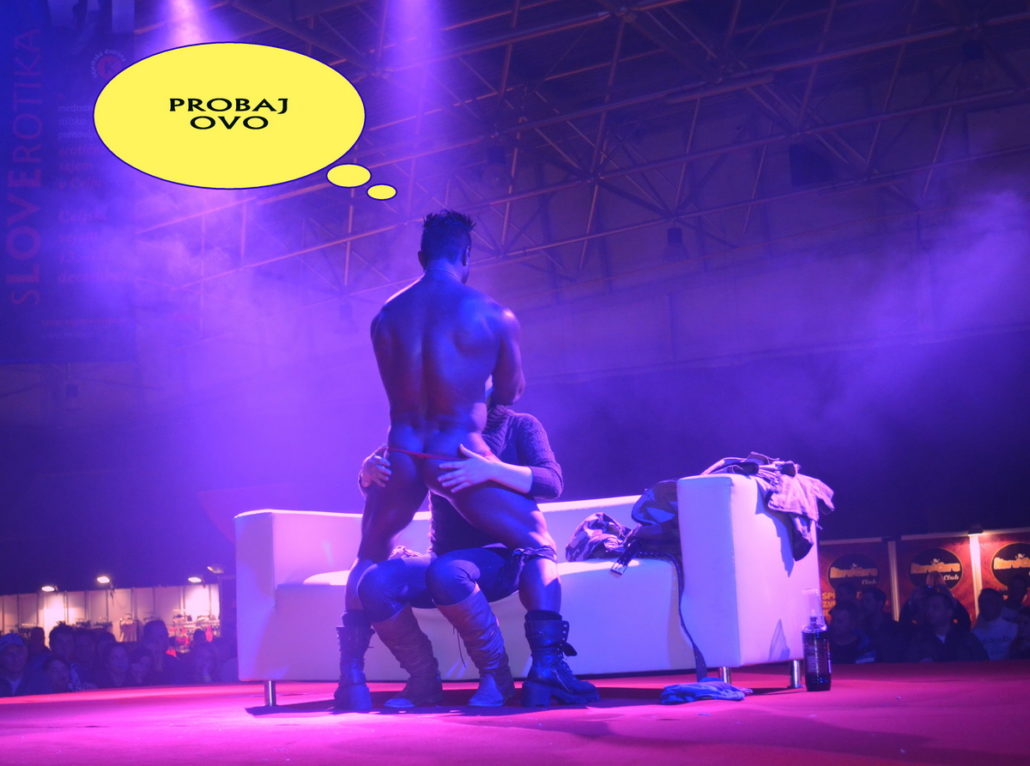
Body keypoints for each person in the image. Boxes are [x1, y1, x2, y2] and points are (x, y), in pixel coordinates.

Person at [336, 210, 595, 711]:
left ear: (421, 257)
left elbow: (405, 385)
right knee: (538, 543)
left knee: (369, 555)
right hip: (456, 448)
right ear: (467, 256)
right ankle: (546, 670)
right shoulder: (492, 314)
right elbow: (511, 391)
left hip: (401, 448)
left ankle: (352, 681)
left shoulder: (385, 316)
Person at [355, 396, 564, 707]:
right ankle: (424, 680)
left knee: (449, 572)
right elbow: (397, 488)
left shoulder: (519, 425)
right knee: (376, 581)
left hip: (505, 555)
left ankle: (497, 677)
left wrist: (492, 470)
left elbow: (552, 482)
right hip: (443, 556)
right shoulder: (431, 432)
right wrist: (367, 475)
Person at [904, 590, 988, 662]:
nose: (929, 611)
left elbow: (982, 664)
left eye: (935, 607)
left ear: (949, 612)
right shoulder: (919, 640)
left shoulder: (966, 639)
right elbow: (910, 667)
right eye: (928, 607)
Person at [859, 587, 904, 662]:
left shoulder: (895, 628)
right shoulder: (860, 628)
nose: (863, 604)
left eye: (867, 600)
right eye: (862, 601)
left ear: (879, 604)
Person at [972, 588, 1018, 661]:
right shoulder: (974, 634)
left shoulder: (1015, 629)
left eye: (989, 602)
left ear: (999, 604)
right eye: (982, 602)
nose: (985, 606)